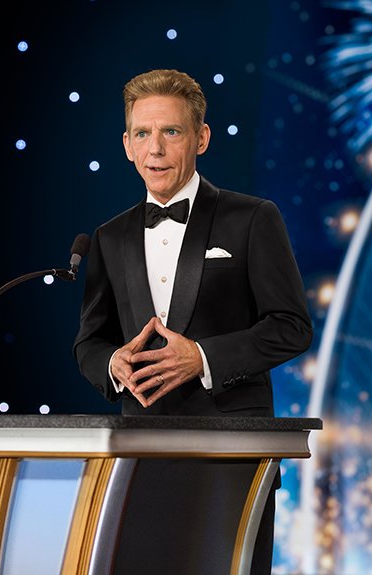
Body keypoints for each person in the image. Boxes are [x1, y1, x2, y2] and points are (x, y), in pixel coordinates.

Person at [73, 69, 313, 574]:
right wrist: (113, 363)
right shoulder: (110, 237)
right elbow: (90, 343)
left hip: (233, 454)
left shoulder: (252, 218)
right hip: (139, 457)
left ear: (201, 138)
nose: (155, 148)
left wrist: (202, 358)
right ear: (126, 145)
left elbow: (291, 326)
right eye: (142, 133)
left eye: (171, 131)